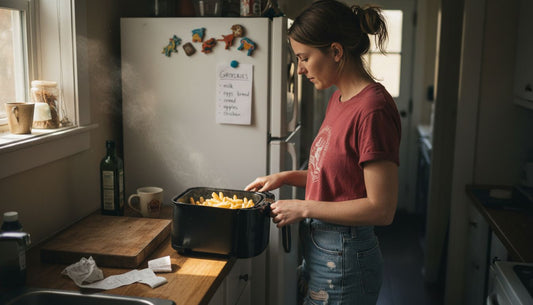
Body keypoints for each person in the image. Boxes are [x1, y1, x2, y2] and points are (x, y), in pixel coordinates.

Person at [245, 0, 401, 304]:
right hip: (323, 249)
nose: (300, 69)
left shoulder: (373, 110)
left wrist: (303, 208)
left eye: (304, 57)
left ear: (336, 51)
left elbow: (381, 209)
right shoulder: (340, 99)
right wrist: (285, 177)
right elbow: (339, 178)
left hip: (345, 258)